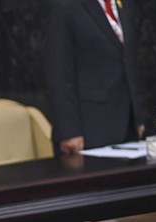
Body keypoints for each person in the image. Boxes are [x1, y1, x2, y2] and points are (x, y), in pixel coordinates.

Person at [44, 0, 149, 155]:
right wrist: (69, 131)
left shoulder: (125, 4)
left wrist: (138, 116)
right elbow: (58, 72)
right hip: (89, 128)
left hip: (127, 125)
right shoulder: (64, 6)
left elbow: (131, 61)